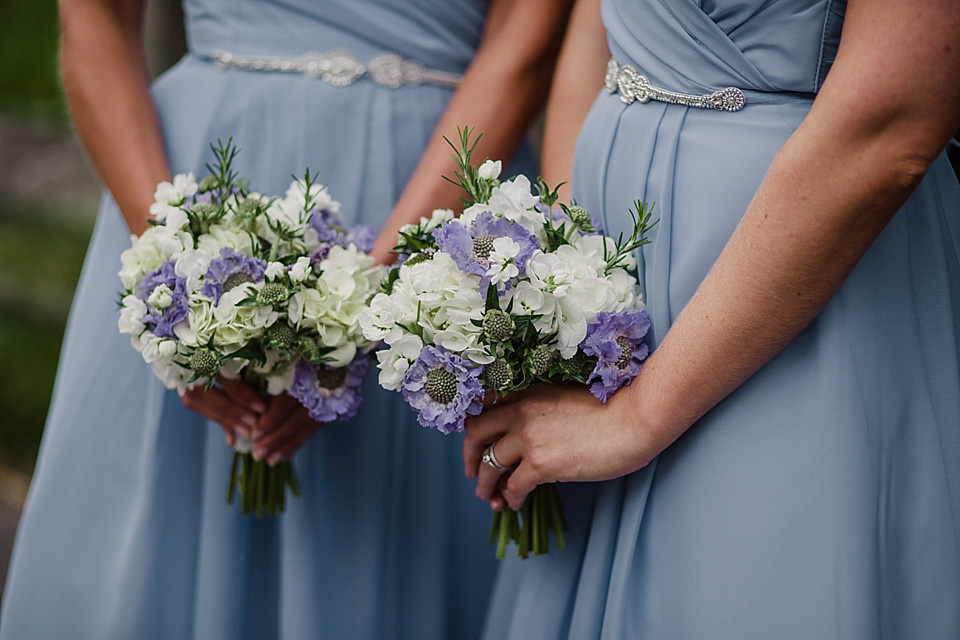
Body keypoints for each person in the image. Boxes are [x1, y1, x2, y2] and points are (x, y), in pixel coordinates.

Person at [0, 0, 571, 638]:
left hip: (436, 199)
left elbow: (523, 41)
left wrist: (372, 302)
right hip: (187, 184)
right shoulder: (178, 251)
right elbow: (95, 18)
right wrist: (181, 288)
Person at [464, 0, 960, 637]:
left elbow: (893, 124)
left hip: (794, 287)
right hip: (613, 277)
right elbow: (596, 27)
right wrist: (564, 283)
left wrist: (638, 419)